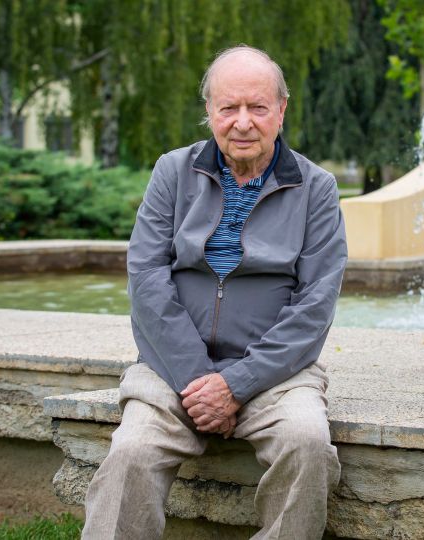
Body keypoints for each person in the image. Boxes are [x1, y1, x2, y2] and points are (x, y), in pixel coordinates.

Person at [81, 45, 347, 540]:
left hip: (276, 374)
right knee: (131, 452)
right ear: (209, 110)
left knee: (307, 444)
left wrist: (237, 384)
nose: (242, 122)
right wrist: (201, 380)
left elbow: (315, 304)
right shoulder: (172, 171)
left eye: (257, 107)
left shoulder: (317, 188)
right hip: (172, 369)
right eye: (228, 108)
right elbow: (147, 278)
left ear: (281, 110)